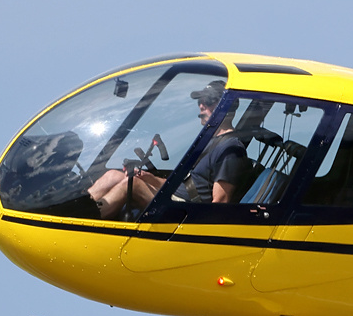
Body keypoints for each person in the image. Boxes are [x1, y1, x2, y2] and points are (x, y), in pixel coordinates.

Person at [87, 81, 249, 218]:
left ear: (225, 107)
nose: (201, 105)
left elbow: (220, 204)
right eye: (200, 100)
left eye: (207, 101)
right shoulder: (209, 141)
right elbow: (184, 185)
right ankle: (78, 206)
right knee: (114, 176)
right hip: (176, 197)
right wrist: (148, 177)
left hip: (186, 211)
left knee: (132, 185)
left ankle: (88, 218)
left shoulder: (231, 149)